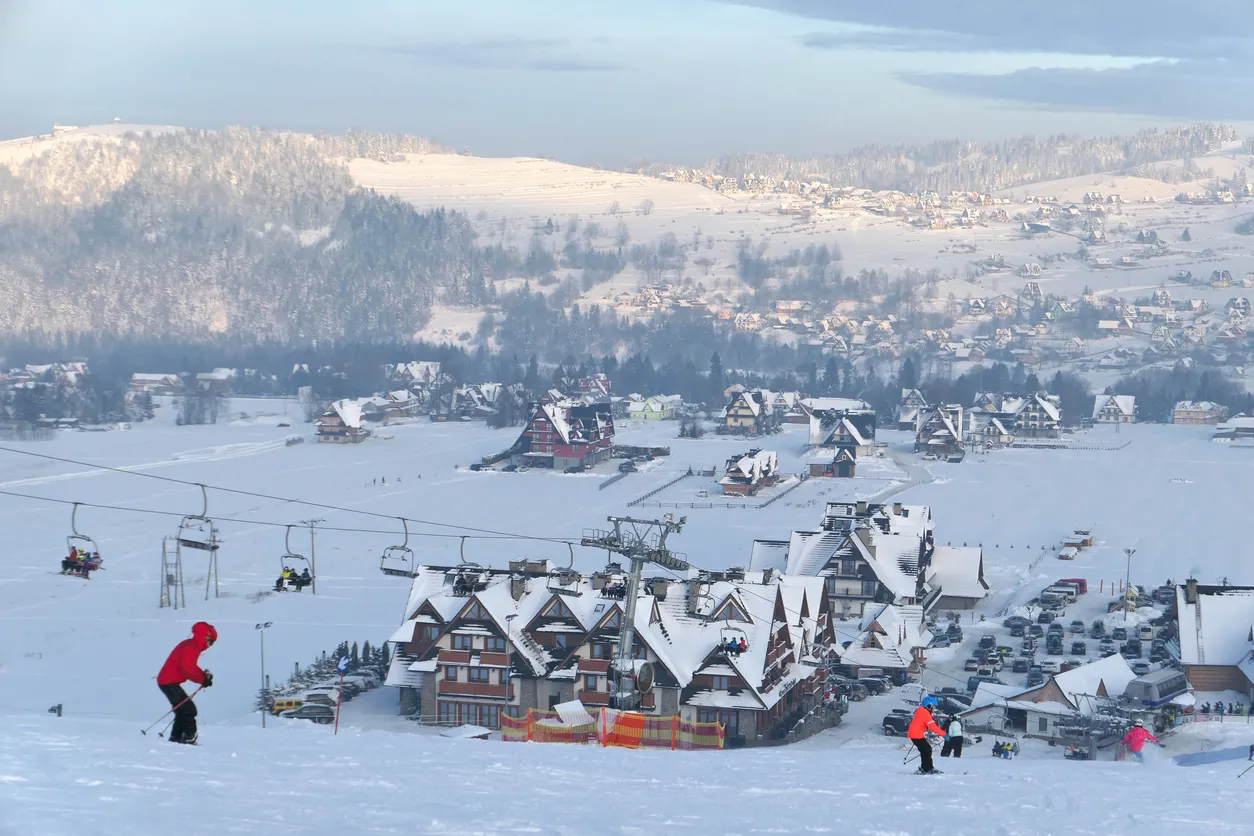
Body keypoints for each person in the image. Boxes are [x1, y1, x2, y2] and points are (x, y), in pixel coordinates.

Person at [156, 622, 217, 744]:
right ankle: (188, 737)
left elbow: (189, 667)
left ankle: (176, 739)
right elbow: (187, 668)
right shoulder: (192, 647)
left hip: (167, 681)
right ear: (205, 637)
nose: (210, 645)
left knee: (182, 711)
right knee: (189, 709)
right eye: (211, 642)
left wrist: (203, 677)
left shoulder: (191, 645)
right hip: (168, 682)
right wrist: (202, 679)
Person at [907, 696, 946, 774]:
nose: (935, 709)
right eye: (934, 706)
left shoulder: (922, 711)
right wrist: (944, 734)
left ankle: (927, 768)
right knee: (927, 750)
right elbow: (933, 727)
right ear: (929, 706)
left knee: (926, 750)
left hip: (915, 734)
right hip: (916, 735)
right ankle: (926, 768)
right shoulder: (925, 714)